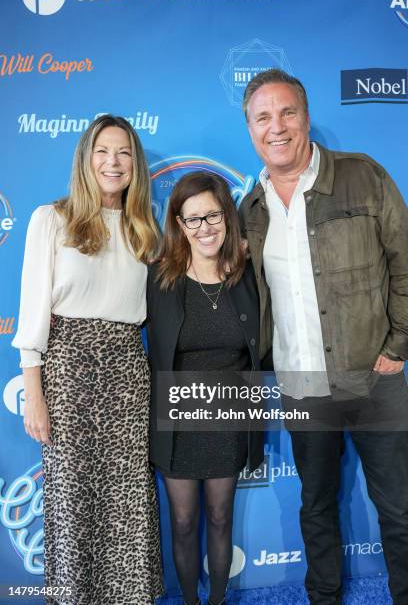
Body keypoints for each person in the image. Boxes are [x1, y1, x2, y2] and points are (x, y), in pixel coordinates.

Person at [239, 68, 408, 604]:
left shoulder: (363, 175)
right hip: (302, 383)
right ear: (250, 129)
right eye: (263, 117)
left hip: (374, 377)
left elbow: (405, 263)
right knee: (315, 508)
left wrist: (397, 347)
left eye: (287, 112)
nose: (277, 127)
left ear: (307, 117)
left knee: (399, 507)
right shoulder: (251, 209)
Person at [12, 115, 164, 604]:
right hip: (67, 373)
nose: (113, 162)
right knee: (72, 502)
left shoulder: (145, 230)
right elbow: (32, 315)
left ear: (134, 164)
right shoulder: (50, 219)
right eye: (103, 151)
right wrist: (34, 395)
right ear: (86, 158)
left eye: (123, 153)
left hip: (127, 373)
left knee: (128, 503)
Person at [146, 171, 264, 605]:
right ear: (179, 225)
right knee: (182, 521)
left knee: (219, 517)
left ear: (227, 217)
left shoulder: (247, 275)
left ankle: (216, 599)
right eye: (192, 219)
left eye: (213, 215)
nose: (204, 228)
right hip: (176, 421)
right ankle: (190, 602)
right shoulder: (159, 279)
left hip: (229, 418)